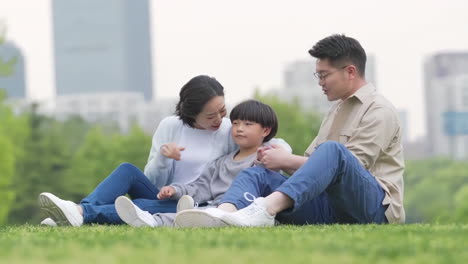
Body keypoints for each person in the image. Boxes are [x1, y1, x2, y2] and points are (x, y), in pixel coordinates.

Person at [175, 34, 405, 227]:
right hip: (330, 205)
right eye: (319, 75)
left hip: (372, 209)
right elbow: (313, 167)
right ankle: (223, 214)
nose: (320, 82)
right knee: (257, 174)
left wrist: (286, 159)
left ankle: (265, 209)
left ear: (350, 71)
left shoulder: (379, 110)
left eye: (324, 75)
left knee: (333, 151)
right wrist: (277, 162)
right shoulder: (336, 111)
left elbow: (348, 165)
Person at [38, 75, 290, 227]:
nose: (220, 119)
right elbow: (155, 180)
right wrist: (162, 157)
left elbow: (265, 140)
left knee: (141, 205)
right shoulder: (170, 126)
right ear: (191, 114)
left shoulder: (228, 129)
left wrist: (278, 154)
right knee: (128, 171)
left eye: (222, 110)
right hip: (165, 192)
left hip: (195, 201)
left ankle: (78, 213)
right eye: (210, 115)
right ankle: (80, 211)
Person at [113, 99, 286, 227]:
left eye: (248, 124)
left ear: (265, 130)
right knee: (193, 214)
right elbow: (202, 186)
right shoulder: (222, 162)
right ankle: (150, 219)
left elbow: (271, 186)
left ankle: (153, 218)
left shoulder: (266, 159)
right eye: (235, 123)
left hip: (244, 211)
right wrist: (175, 190)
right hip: (214, 207)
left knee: (198, 215)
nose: (239, 128)